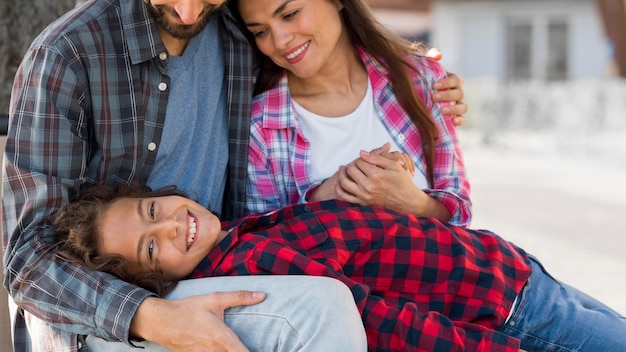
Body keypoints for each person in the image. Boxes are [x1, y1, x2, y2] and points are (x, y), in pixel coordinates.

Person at [1, 0, 467, 350]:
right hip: (103, 311)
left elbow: (319, 42)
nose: (186, 12)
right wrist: (150, 315)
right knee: (322, 306)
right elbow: (24, 259)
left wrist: (419, 75)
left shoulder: (235, 31)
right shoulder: (68, 56)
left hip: (223, 263)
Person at [53, 184, 626, 352]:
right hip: (508, 317)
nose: (173, 226)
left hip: (513, 273)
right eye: (153, 249)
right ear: (157, 282)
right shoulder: (254, 265)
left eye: (154, 211)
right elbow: (379, 320)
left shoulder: (240, 229)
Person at [238, 0, 472, 226]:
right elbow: (257, 244)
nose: (279, 41)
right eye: (260, 32)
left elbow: (462, 217)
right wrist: (319, 201)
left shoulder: (422, 80)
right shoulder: (260, 127)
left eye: (290, 14)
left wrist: (414, 203)